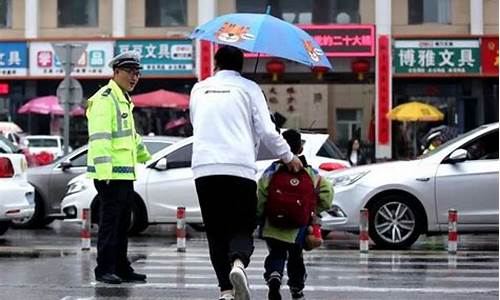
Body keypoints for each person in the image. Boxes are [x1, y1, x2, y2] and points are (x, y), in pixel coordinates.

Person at [189, 45, 303, 300]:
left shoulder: (199, 88)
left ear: (215, 64)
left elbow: (196, 123)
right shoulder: (249, 88)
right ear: (241, 65)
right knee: (242, 224)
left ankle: (226, 291)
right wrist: (289, 156)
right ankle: (238, 264)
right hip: (238, 167)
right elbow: (267, 131)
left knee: (216, 230)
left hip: (204, 167)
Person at [86, 51, 151, 284]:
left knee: (123, 223)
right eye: (129, 72)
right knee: (110, 224)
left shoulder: (122, 98)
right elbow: (100, 138)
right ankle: (104, 269)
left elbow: (129, 136)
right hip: (110, 175)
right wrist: (104, 174)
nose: (134, 77)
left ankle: (122, 267)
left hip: (123, 173)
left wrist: (144, 154)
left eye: (137, 73)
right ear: (115, 73)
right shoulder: (105, 98)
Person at [256, 129, 333, 300]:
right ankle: (297, 289)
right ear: (300, 150)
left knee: (276, 254)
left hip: (273, 225)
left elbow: (260, 195)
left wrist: (260, 215)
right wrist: (312, 210)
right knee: (296, 257)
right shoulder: (310, 173)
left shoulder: (272, 171)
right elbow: (327, 195)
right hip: (298, 227)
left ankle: (274, 276)